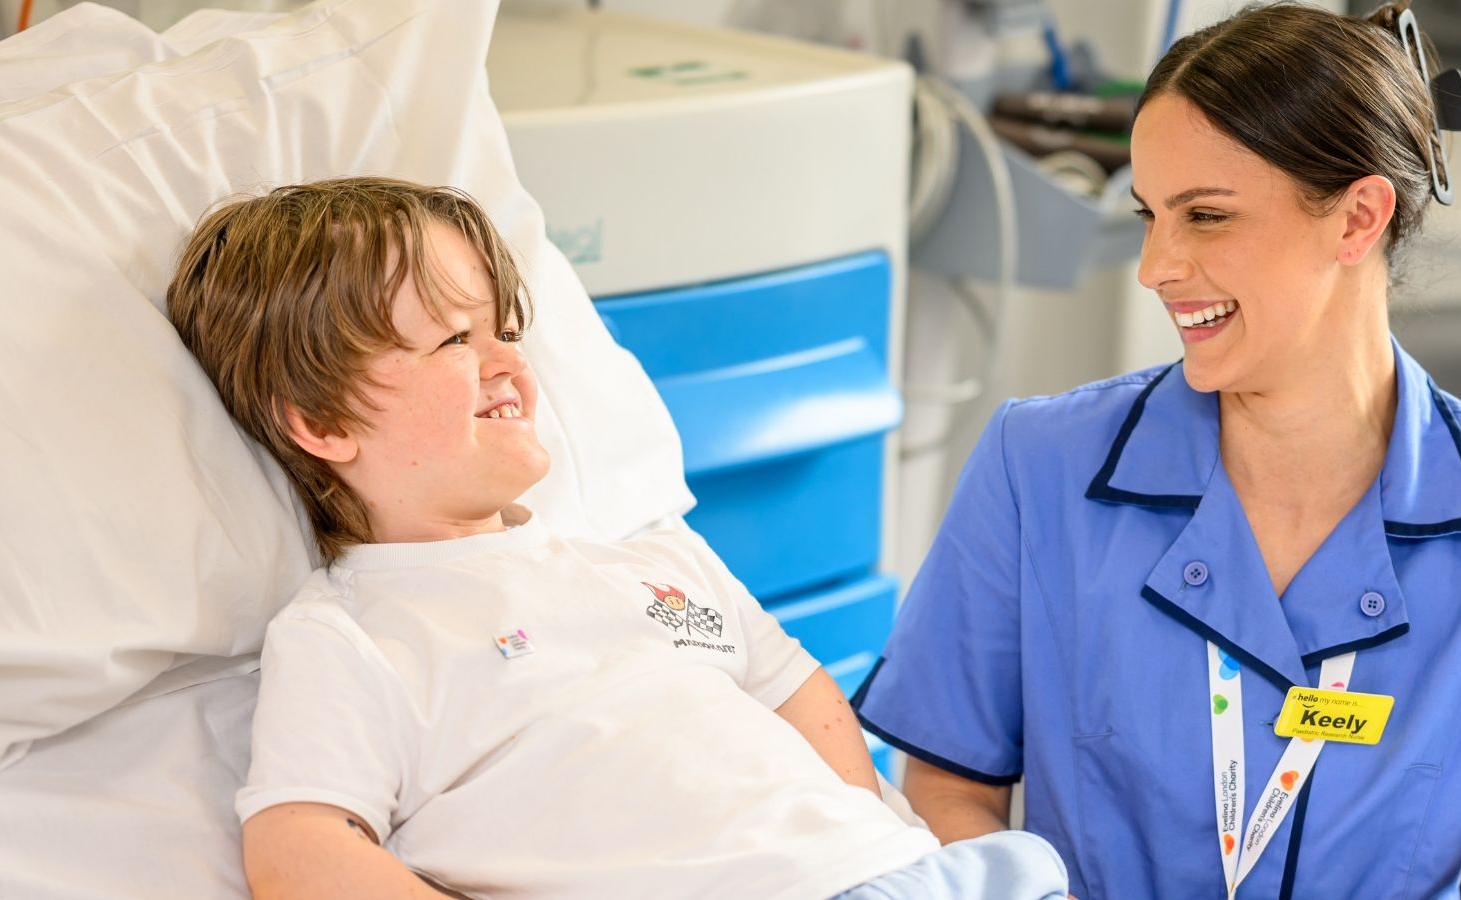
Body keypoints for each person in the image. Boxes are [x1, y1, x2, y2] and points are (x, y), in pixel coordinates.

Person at [851, 3, 1461, 898]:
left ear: (1358, 219)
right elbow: (951, 785)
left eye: (1204, 216)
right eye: (1149, 213)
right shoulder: (1037, 466)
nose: (1155, 265)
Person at [164, 176, 1070, 899]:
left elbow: (802, 696)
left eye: (507, 329)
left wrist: (875, 837)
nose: (509, 361)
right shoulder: (355, 635)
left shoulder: (652, 559)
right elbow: (297, 851)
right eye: (451, 339)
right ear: (322, 425)